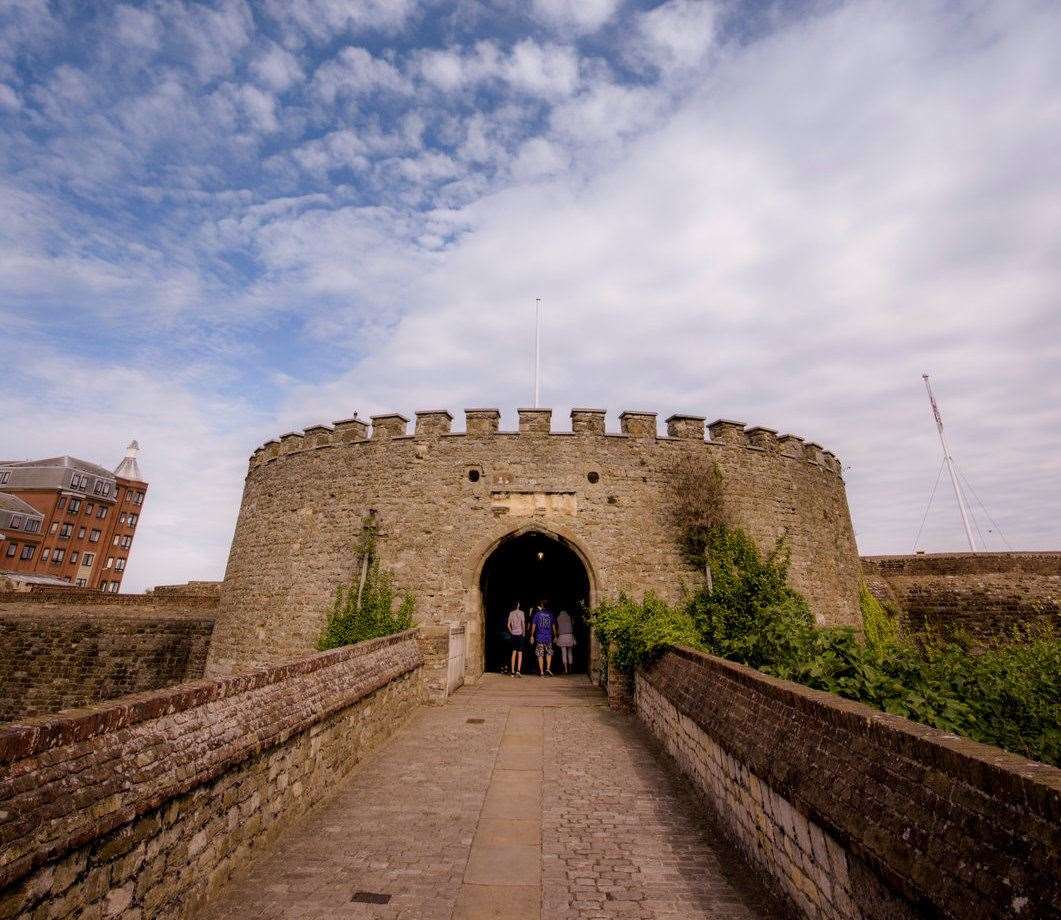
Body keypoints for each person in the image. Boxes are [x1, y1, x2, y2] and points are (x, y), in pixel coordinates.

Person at [530, 600, 556, 676]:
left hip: (539, 637)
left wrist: (532, 636)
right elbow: (553, 626)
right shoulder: (551, 615)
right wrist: (555, 636)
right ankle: (547, 669)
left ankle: (541, 672)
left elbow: (533, 625)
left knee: (540, 654)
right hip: (548, 637)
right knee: (549, 653)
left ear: (542, 605)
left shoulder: (537, 614)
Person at [506, 601, 526, 677]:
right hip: (520, 634)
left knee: (513, 652)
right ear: (518, 605)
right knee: (520, 653)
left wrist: (511, 632)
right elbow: (523, 623)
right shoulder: (521, 613)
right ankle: (518, 670)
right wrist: (524, 633)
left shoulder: (511, 613)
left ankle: (512, 671)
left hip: (513, 634)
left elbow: (508, 625)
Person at [555, 609, 576, 674]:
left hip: (562, 636)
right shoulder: (570, 617)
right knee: (570, 653)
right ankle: (570, 669)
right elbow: (573, 625)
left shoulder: (558, 618)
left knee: (564, 653)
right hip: (570, 635)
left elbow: (557, 627)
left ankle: (566, 670)